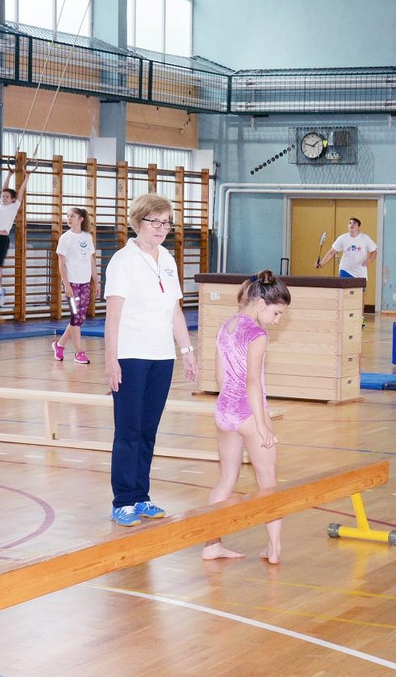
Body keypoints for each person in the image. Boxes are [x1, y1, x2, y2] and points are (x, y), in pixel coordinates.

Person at [104, 192, 199, 526]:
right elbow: (112, 317)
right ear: (137, 221)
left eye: (167, 222)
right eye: (155, 221)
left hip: (162, 356)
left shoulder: (168, 259)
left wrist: (186, 350)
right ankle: (123, 500)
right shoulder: (122, 261)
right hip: (131, 355)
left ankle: (141, 496)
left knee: (148, 430)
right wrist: (111, 360)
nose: (161, 228)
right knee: (128, 429)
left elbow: (174, 310)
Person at [201, 271, 291, 563]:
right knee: (268, 483)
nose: (277, 321)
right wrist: (263, 425)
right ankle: (274, 548)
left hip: (225, 410)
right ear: (261, 303)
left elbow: (219, 376)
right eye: (277, 313)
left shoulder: (226, 325)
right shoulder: (257, 333)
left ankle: (211, 544)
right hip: (248, 412)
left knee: (226, 478)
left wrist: (227, 405)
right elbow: (253, 382)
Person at [53, 206, 98, 365]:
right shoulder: (65, 238)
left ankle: (59, 345)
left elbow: (91, 261)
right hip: (72, 284)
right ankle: (79, 352)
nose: (69, 218)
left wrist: (96, 281)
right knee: (75, 317)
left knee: (79, 318)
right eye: (68, 216)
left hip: (85, 283)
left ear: (81, 219)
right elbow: (61, 263)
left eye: (73, 216)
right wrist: (66, 284)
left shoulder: (87, 237)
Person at [0, 178, 23, 307]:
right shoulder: (2, 205)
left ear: (13, 199)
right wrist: (9, 174)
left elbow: (21, 191)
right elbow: (5, 187)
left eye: (7, 197)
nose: (4, 198)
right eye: (3, 196)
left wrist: (27, 177)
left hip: (2, 239)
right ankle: (0, 290)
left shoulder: (14, 207)